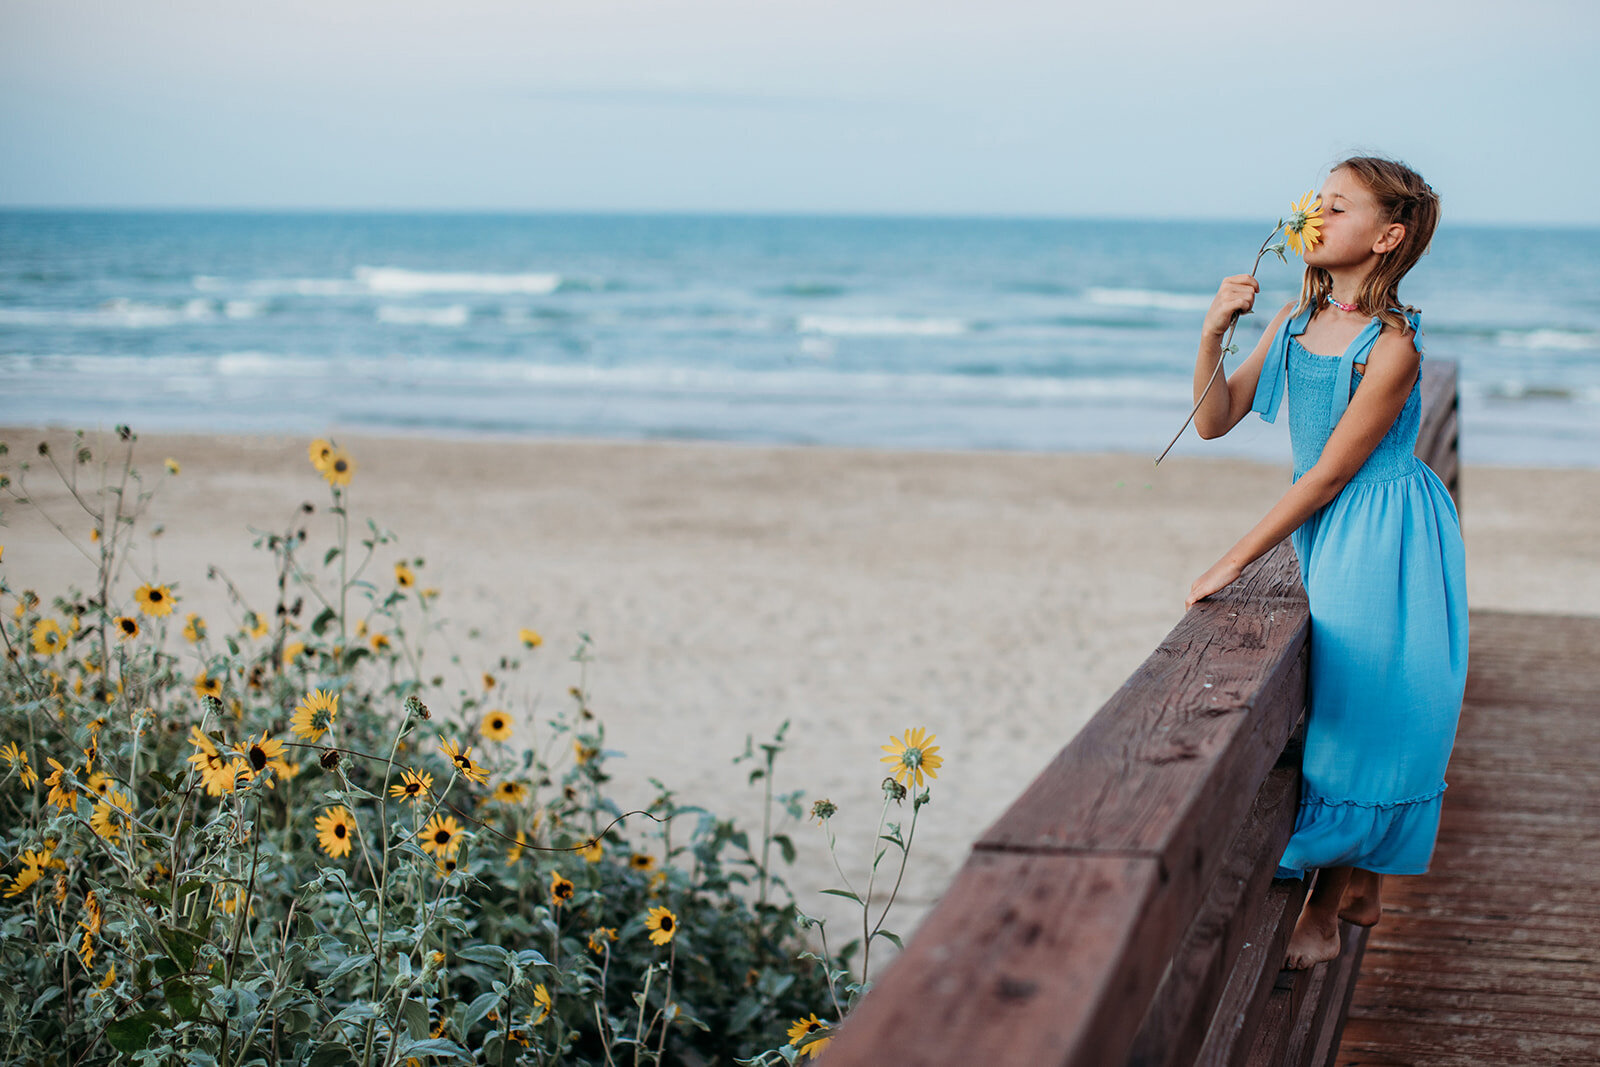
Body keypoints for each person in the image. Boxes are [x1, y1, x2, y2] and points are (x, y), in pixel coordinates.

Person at [1182, 156, 1468, 970]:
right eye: (1315, 204)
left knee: (1364, 700)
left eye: (1335, 207)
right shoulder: (1295, 323)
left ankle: (1322, 904)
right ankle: (1364, 881)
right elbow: (1214, 420)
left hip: (1385, 526)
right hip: (1330, 523)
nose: (1313, 217)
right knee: (1356, 693)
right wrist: (1213, 331)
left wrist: (1231, 561)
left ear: (1386, 237)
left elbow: (1331, 473)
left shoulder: (1393, 347)